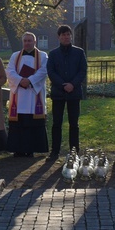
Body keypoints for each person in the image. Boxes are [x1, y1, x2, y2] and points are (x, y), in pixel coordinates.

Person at [46, 25, 87, 160]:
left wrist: (72, 84)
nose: (66, 37)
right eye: (63, 35)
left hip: (74, 93)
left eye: (68, 34)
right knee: (56, 123)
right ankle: (55, 152)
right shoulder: (53, 54)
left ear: (71, 36)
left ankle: (74, 152)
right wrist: (63, 85)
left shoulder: (79, 52)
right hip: (58, 93)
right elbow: (51, 72)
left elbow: (82, 71)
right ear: (59, 37)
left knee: (74, 124)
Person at [6, 32, 49, 157]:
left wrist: (29, 80)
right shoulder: (15, 56)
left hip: (34, 94)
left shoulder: (42, 55)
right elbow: (10, 71)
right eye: (25, 41)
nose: (27, 43)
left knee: (32, 122)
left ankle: (31, 149)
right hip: (19, 94)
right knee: (19, 122)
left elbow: (43, 71)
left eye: (30, 41)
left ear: (35, 42)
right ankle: (17, 149)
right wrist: (20, 81)